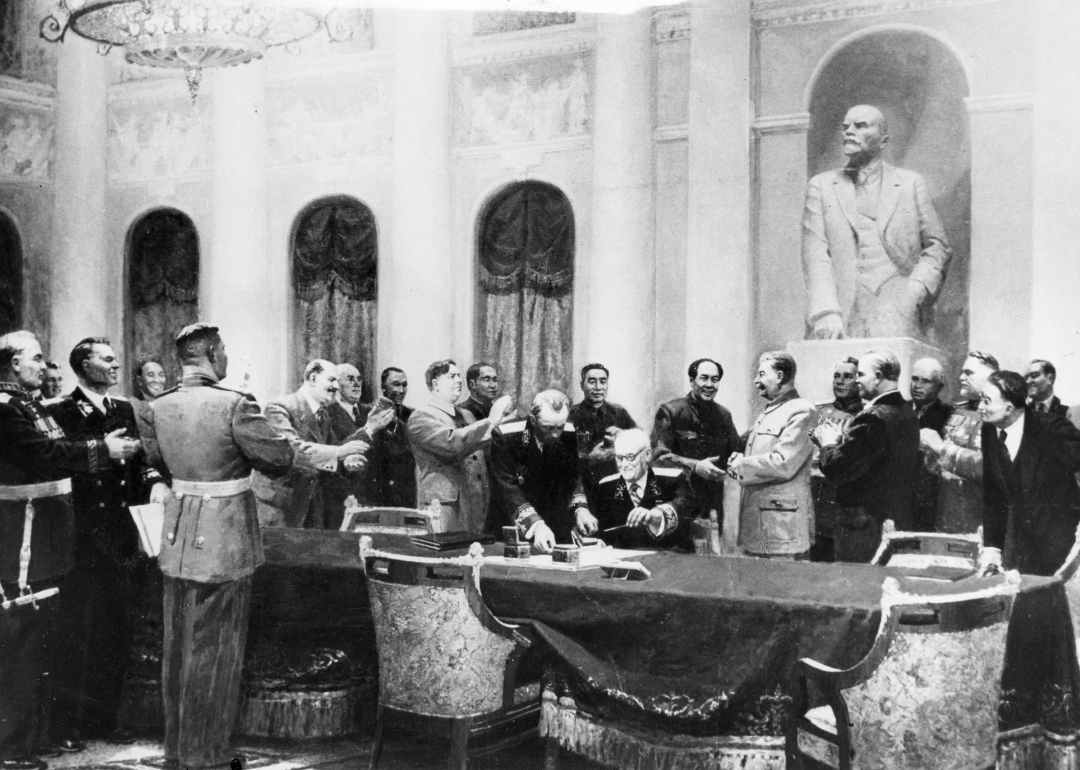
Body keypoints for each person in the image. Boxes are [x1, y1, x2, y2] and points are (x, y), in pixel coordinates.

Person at [141, 323, 340, 770]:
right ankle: (205, 753)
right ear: (211, 353)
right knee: (217, 647)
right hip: (224, 538)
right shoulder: (234, 404)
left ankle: (178, 749)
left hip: (177, 536)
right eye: (224, 349)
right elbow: (277, 456)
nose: (227, 357)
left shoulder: (159, 405)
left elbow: (155, 462)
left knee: (179, 646)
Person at [0, 331, 139, 770]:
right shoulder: (6, 409)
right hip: (21, 536)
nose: (43, 366)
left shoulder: (26, 403)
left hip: (45, 536)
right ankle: (12, 745)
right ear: (11, 363)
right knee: (22, 639)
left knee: (42, 640)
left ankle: (33, 738)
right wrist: (104, 448)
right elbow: (46, 454)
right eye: (35, 359)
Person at [46, 339, 167, 748]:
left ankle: (104, 719)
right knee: (76, 631)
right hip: (81, 536)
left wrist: (154, 485)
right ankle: (68, 725)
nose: (116, 362)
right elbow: (59, 460)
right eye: (106, 358)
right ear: (84, 365)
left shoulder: (123, 409)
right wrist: (104, 451)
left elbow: (139, 464)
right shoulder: (61, 410)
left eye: (117, 356)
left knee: (115, 628)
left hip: (119, 535)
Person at [801, 104, 951, 340]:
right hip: (843, 308)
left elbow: (937, 245)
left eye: (860, 126)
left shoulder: (910, 183)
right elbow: (815, 253)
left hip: (899, 302)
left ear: (883, 140)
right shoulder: (821, 186)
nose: (848, 132)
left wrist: (916, 288)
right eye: (845, 127)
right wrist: (826, 312)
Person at [816, 349, 920, 562]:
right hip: (894, 520)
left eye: (861, 375)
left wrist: (827, 443)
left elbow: (837, 468)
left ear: (879, 377)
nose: (856, 381)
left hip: (864, 526)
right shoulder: (907, 411)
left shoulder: (873, 418)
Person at [978, 370, 1080, 577]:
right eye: (981, 399)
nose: (980, 407)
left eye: (987, 401)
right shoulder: (989, 429)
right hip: (1021, 543)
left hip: (1059, 542)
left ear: (1009, 408)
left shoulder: (1052, 429)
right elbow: (994, 491)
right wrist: (992, 547)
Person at [252, 360, 373, 529]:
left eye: (338, 381)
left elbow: (332, 453)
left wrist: (347, 461)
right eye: (331, 380)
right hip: (281, 511)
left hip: (311, 507)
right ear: (313, 378)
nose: (336, 387)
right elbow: (292, 450)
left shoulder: (323, 415)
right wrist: (340, 451)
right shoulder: (279, 407)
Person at [728, 351, 816, 560]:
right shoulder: (772, 410)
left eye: (761, 374)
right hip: (762, 525)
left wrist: (742, 465)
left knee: (776, 580)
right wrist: (737, 461)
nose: (756, 381)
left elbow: (783, 463)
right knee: (759, 579)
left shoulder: (802, 411)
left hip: (781, 528)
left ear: (779, 376)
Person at [407, 360, 513, 532]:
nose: (459, 380)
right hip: (445, 507)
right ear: (436, 384)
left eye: (458, 376)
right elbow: (451, 443)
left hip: (476, 504)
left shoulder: (467, 415)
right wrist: (490, 421)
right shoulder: (421, 416)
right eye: (452, 376)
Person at [490, 390, 593, 552]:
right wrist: (535, 524)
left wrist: (580, 508)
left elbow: (573, 476)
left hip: (554, 525)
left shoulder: (568, 432)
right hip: (514, 524)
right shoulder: (506, 435)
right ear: (533, 420)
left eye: (560, 427)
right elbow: (506, 487)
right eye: (548, 428)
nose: (555, 435)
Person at [920, 350, 999, 533]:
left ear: (991, 377)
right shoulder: (957, 409)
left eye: (969, 373)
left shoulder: (997, 414)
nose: (961, 377)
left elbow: (989, 468)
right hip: (947, 507)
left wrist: (940, 447)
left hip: (978, 512)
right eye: (962, 372)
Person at [651, 359, 740, 521]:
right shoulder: (670, 411)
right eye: (704, 378)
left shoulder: (724, 415)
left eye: (715, 379)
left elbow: (736, 451)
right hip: (679, 501)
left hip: (714, 504)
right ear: (692, 381)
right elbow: (658, 457)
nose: (709, 385)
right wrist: (695, 465)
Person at [591, 428, 692, 551]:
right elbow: (598, 530)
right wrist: (598, 543)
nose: (624, 464)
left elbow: (688, 504)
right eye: (619, 458)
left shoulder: (672, 479)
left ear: (647, 455)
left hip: (667, 561)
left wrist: (656, 515)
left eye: (630, 457)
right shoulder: (606, 487)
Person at [810, 356, 862, 561]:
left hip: (841, 498)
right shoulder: (818, 411)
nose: (840, 382)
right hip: (813, 494)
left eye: (847, 377)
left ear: (858, 382)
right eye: (836, 376)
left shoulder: (864, 416)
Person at [567, 363, 638, 509]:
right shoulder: (570, 416)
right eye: (592, 381)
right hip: (582, 488)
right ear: (582, 385)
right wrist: (590, 458)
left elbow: (641, 443)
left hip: (615, 484)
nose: (598, 387)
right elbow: (564, 461)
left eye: (603, 381)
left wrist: (625, 437)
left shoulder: (619, 412)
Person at [908, 357, 954, 531]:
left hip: (930, 494)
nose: (917, 386)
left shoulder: (948, 414)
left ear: (939, 387)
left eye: (925, 381)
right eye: (914, 379)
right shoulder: (901, 409)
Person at [365, 367, 418, 509]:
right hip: (378, 490)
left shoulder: (412, 415)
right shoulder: (368, 413)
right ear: (383, 387)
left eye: (404, 385)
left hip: (406, 490)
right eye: (396, 384)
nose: (401, 390)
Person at [130, 359, 166, 462]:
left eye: (161, 375)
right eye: (151, 375)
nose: (157, 380)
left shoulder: (170, 405)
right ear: (139, 381)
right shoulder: (131, 406)